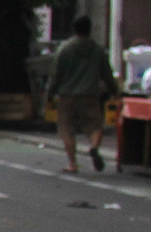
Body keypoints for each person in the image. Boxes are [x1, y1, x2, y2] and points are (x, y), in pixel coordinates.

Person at [45, 15, 116, 173]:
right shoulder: (98, 50)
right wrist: (115, 91)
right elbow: (107, 74)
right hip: (91, 95)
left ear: (73, 29)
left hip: (68, 96)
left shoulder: (65, 49)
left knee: (67, 129)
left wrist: (49, 94)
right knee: (95, 126)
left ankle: (72, 163)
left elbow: (56, 74)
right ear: (90, 29)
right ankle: (94, 147)